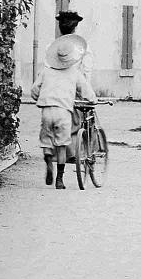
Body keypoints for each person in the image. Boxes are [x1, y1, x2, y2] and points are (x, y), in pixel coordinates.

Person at [30, 35, 98, 189]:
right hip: (63, 111)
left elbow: (34, 90)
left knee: (47, 140)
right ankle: (59, 179)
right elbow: (86, 91)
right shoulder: (74, 72)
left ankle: (48, 158)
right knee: (62, 145)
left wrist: (39, 97)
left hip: (47, 110)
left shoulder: (46, 71)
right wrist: (93, 100)